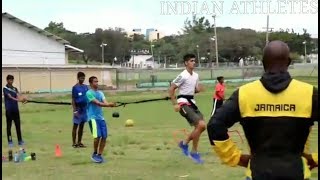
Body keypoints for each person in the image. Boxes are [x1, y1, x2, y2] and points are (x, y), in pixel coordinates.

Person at [207, 40, 318, 180]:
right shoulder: (309, 93)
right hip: (298, 173)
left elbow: (215, 126)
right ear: (289, 62)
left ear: (263, 62)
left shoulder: (244, 94)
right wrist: (314, 159)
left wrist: (235, 158)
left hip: (256, 173)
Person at [168, 53, 206, 164]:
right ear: (186, 63)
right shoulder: (182, 75)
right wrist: (175, 104)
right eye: (191, 61)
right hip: (183, 103)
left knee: (202, 127)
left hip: (192, 103)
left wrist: (199, 90)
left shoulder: (196, 76)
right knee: (201, 125)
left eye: (194, 61)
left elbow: (193, 90)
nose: (194, 62)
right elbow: (171, 89)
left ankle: (184, 144)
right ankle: (194, 152)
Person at [86, 76, 116, 163]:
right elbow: (98, 103)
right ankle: (94, 154)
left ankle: (99, 155)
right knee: (97, 136)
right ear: (91, 83)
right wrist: (109, 105)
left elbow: (105, 102)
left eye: (97, 81)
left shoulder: (101, 93)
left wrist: (111, 104)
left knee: (104, 136)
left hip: (101, 118)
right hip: (93, 118)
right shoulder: (89, 93)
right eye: (95, 82)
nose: (97, 83)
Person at [3, 75, 28, 147]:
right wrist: (19, 100)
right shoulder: (5, 89)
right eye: (10, 80)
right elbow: (10, 97)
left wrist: (24, 98)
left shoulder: (15, 88)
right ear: (7, 80)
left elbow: (18, 95)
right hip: (9, 110)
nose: (11, 81)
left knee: (18, 125)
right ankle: (10, 141)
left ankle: (20, 140)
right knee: (9, 126)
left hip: (15, 110)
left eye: (12, 80)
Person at [71, 72, 89, 148]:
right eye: (81, 78)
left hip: (84, 109)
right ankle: (74, 143)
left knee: (82, 126)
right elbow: (73, 99)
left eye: (84, 78)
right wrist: (75, 110)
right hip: (78, 109)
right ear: (78, 78)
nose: (83, 79)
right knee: (75, 126)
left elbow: (88, 96)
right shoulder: (75, 87)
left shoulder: (85, 87)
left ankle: (79, 142)